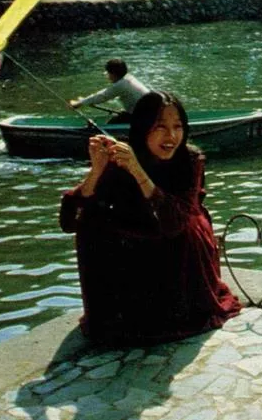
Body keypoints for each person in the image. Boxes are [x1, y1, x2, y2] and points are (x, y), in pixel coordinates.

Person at [59, 91, 242, 345]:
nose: (171, 137)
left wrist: (138, 171)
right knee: (92, 219)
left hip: (179, 238)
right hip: (135, 241)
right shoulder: (121, 157)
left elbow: (174, 222)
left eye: (178, 127)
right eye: (160, 127)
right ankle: (116, 313)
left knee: (178, 231)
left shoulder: (190, 160)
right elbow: (69, 221)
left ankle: (169, 311)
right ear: (143, 129)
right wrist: (97, 170)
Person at [69, 58, 150, 122]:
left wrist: (79, 103)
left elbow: (102, 96)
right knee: (121, 115)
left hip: (144, 117)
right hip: (149, 113)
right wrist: (85, 101)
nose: (108, 77)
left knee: (113, 122)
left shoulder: (121, 85)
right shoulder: (129, 78)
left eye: (108, 74)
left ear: (113, 74)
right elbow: (104, 93)